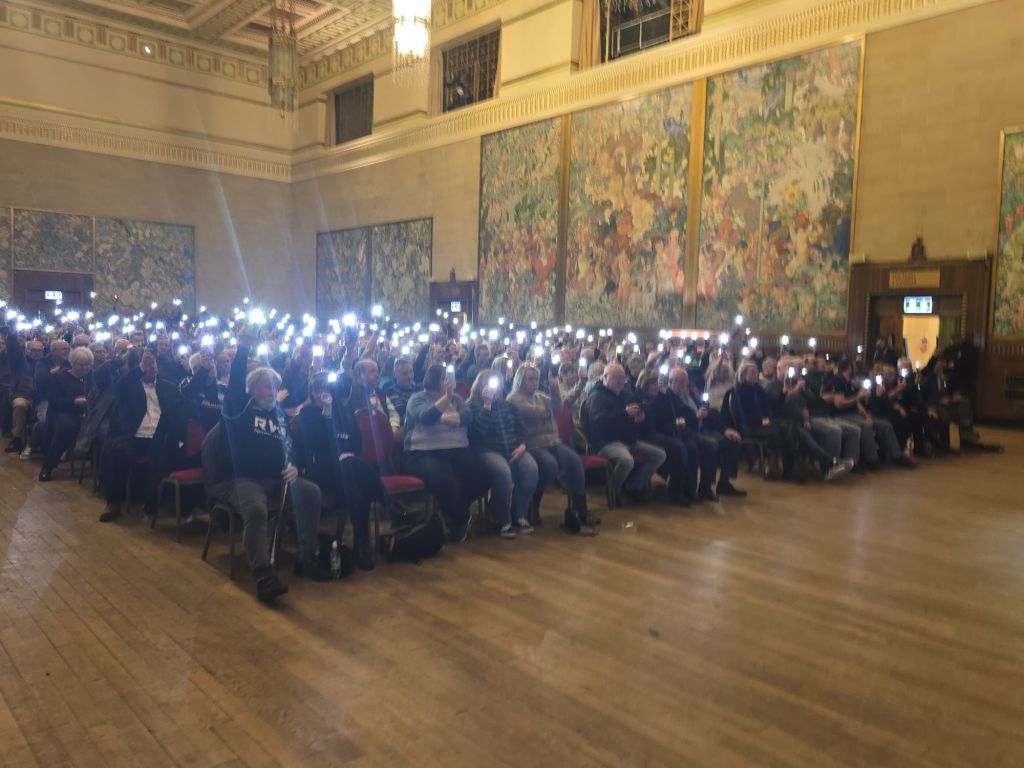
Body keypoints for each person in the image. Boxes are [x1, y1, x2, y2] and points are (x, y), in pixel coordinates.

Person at [211, 336, 326, 603]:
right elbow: (236, 382)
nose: (273, 391)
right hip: (243, 480)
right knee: (256, 509)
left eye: (276, 386)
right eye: (267, 386)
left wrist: (294, 467)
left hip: (278, 479)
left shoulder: (281, 417)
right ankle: (263, 573)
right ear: (251, 389)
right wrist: (243, 347)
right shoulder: (239, 408)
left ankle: (307, 557)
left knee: (312, 492)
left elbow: (291, 449)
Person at [294, 373, 380, 571]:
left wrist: (347, 456)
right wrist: (327, 413)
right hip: (321, 470)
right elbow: (317, 445)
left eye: (325, 388)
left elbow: (357, 443)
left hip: (348, 471)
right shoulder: (307, 415)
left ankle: (361, 544)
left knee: (357, 487)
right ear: (311, 392)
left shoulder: (346, 412)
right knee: (354, 471)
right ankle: (385, 513)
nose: (321, 393)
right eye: (317, 390)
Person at [403, 364, 492, 542]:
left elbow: (466, 417)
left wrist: (444, 415)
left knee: (483, 475)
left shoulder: (457, 399)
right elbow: (426, 417)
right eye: (444, 377)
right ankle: (459, 519)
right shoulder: (417, 398)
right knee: (444, 481)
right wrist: (446, 402)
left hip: (456, 449)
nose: (448, 381)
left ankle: (451, 513)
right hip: (423, 452)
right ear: (435, 379)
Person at [508, 363, 598, 533]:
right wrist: (552, 408)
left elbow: (559, 406)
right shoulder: (514, 399)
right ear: (520, 381)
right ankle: (533, 502)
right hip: (532, 444)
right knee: (550, 466)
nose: (534, 383)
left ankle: (580, 510)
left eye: (536, 379)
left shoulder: (540, 396)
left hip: (552, 441)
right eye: (530, 379)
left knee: (575, 461)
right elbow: (535, 412)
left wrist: (554, 386)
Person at [97, 348, 185, 519]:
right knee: (118, 454)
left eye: (153, 363)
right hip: (134, 437)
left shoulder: (168, 387)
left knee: (179, 454)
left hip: (160, 437)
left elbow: (179, 408)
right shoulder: (128, 386)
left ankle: (161, 503)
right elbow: (120, 385)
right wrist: (140, 369)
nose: (152, 366)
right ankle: (113, 503)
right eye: (147, 363)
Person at [467, 371, 537, 538]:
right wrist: (487, 405)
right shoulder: (472, 406)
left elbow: (521, 430)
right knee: (503, 472)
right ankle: (503, 520)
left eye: (497, 385)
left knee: (531, 470)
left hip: (514, 448)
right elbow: (477, 434)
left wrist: (522, 445)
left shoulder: (509, 406)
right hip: (486, 450)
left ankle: (518, 514)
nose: (495, 389)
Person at [584, 363, 667, 504]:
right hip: (606, 442)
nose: (620, 382)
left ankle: (631, 487)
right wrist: (625, 414)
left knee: (659, 455)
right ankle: (613, 491)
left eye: (622, 378)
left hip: (627, 440)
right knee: (626, 460)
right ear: (605, 377)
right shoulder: (597, 395)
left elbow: (638, 410)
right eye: (616, 378)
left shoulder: (624, 394)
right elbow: (599, 423)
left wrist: (641, 417)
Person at [635, 369, 693, 506]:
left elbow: (667, 414)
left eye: (657, 383)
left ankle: (686, 489)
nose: (656, 386)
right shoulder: (641, 397)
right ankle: (676, 492)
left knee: (686, 445)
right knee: (678, 447)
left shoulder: (662, 396)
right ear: (646, 384)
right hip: (645, 434)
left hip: (658, 432)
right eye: (652, 384)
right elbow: (647, 421)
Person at [38, 346, 95, 481]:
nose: (85, 368)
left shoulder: (92, 376)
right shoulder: (60, 377)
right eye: (81, 365)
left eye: (87, 365)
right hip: (63, 412)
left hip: (88, 412)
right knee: (66, 427)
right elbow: (53, 400)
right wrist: (73, 402)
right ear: (72, 363)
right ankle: (49, 465)